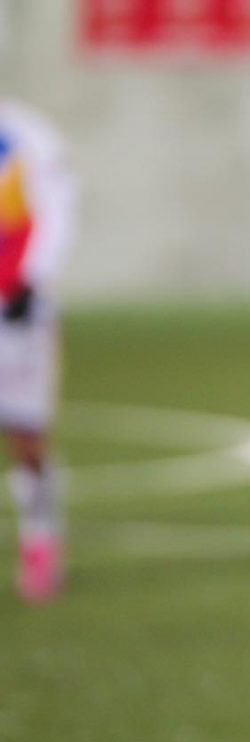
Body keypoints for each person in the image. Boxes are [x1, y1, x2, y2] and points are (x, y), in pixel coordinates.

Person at [0, 99, 76, 604]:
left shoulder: (25, 133)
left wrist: (34, 279)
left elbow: (58, 207)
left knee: (25, 433)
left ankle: (40, 543)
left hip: (15, 308)